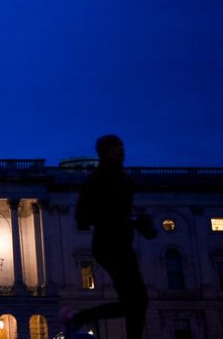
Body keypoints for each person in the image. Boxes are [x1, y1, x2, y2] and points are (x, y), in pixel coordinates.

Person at [64, 135, 155, 339]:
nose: (121, 150)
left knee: (136, 303)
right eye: (116, 147)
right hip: (108, 245)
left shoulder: (123, 178)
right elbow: (83, 215)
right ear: (105, 151)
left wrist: (140, 222)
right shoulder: (97, 179)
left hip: (123, 244)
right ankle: (78, 318)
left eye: (122, 145)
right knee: (137, 301)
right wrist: (116, 217)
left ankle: (79, 318)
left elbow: (126, 211)